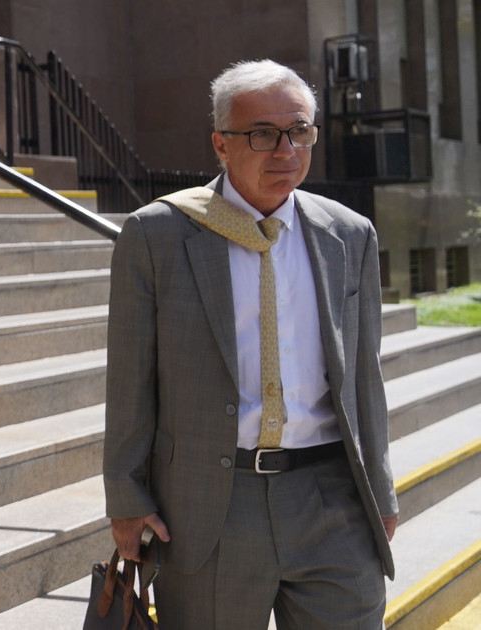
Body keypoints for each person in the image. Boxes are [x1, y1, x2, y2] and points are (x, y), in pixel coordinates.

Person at [103, 59, 398, 629]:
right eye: (263, 134)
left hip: (331, 498)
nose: (286, 150)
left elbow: (365, 376)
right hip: (211, 506)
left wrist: (380, 492)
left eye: (300, 131)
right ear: (221, 143)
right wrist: (125, 493)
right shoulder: (156, 235)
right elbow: (130, 380)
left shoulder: (348, 234)